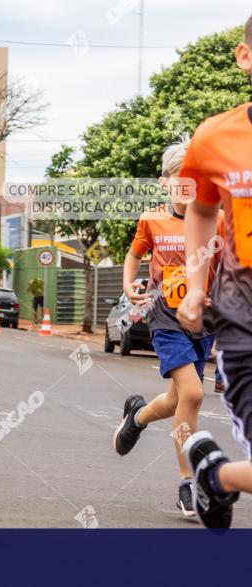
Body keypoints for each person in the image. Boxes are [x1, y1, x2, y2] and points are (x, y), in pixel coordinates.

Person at [111, 137, 225, 519]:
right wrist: (129, 283)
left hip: (203, 320)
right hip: (166, 318)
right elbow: (134, 253)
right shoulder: (153, 219)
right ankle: (186, 482)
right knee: (193, 395)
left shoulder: (215, 219)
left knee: (177, 400)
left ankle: (137, 417)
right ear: (164, 183)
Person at [174, 15, 252, 529]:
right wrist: (196, 285)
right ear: (246, 57)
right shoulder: (214, 137)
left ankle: (215, 476)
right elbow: (200, 210)